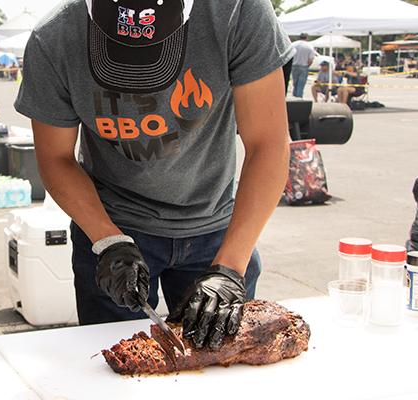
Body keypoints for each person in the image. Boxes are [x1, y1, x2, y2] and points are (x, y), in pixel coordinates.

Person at [15, 0, 292, 349]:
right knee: (117, 367)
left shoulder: (236, 10)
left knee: (218, 363)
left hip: (217, 228)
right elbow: (55, 158)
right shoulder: (55, 38)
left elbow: (268, 144)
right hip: (112, 225)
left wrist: (229, 268)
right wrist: (107, 240)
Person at [290, 34, 316, 98]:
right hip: (304, 66)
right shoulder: (309, 46)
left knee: (295, 83)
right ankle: (299, 98)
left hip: (294, 65)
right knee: (301, 84)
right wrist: (307, 66)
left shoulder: (293, 44)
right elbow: (311, 59)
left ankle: (294, 97)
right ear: (307, 38)